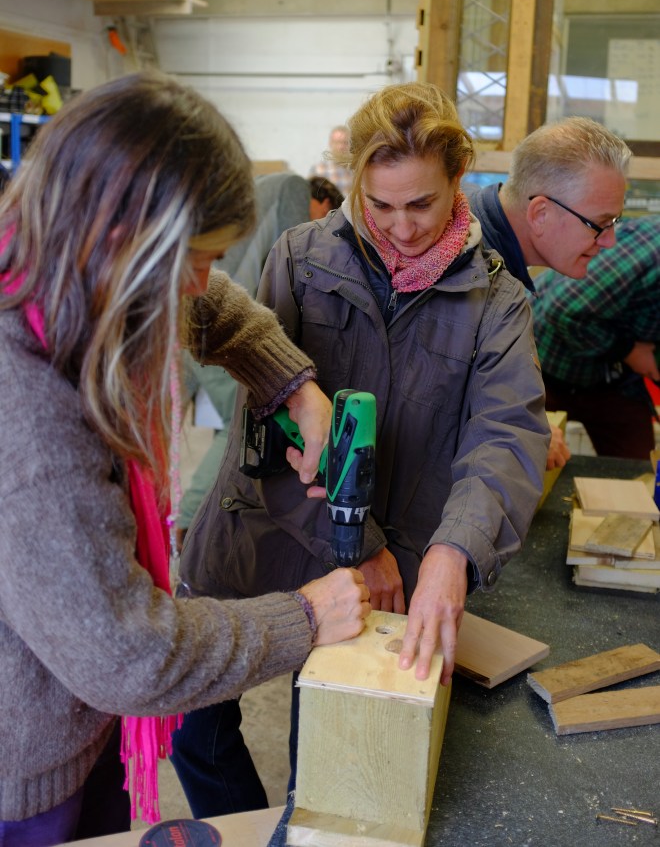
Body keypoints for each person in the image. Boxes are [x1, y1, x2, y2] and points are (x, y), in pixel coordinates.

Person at [0, 71, 371, 845]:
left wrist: (292, 384)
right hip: (23, 772)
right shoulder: (27, 413)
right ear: (118, 244)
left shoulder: (61, 269)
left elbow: (216, 304)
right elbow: (126, 655)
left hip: (77, 714)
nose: (201, 284)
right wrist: (306, 617)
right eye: (193, 258)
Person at [174, 81, 550, 818]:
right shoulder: (300, 257)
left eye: (422, 205)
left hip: (395, 562)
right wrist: (356, 543)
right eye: (380, 206)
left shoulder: (497, 302)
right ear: (354, 188)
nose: (401, 229)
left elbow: (505, 436)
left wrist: (455, 551)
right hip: (265, 535)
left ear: (458, 182)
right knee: (196, 735)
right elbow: (267, 431)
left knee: (327, 759)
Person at [464, 116, 631, 469]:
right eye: (599, 224)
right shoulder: (469, 272)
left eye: (614, 223)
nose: (610, 241)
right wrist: (526, 432)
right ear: (540, 213)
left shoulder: (493, 255)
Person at [177, 171, 312, 551]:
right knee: (235, 427)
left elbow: (210, 298)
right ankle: (187, 527)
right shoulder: (293, 190)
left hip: (219, 332)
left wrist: (295, 381)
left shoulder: (196, 291)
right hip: (205, 341)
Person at [532, 216, 659, 459]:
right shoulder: (651, 249)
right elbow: (564, 310)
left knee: (639, 469)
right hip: (546, 367)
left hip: (611, 380)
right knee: (532, 463)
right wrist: (631, 352)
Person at [308, 124, 352, 195]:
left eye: (345, 142)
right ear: (330, 143)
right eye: (337, 142)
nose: (341, 146)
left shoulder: (357, 170)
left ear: (351, 144)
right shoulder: (318, 170)